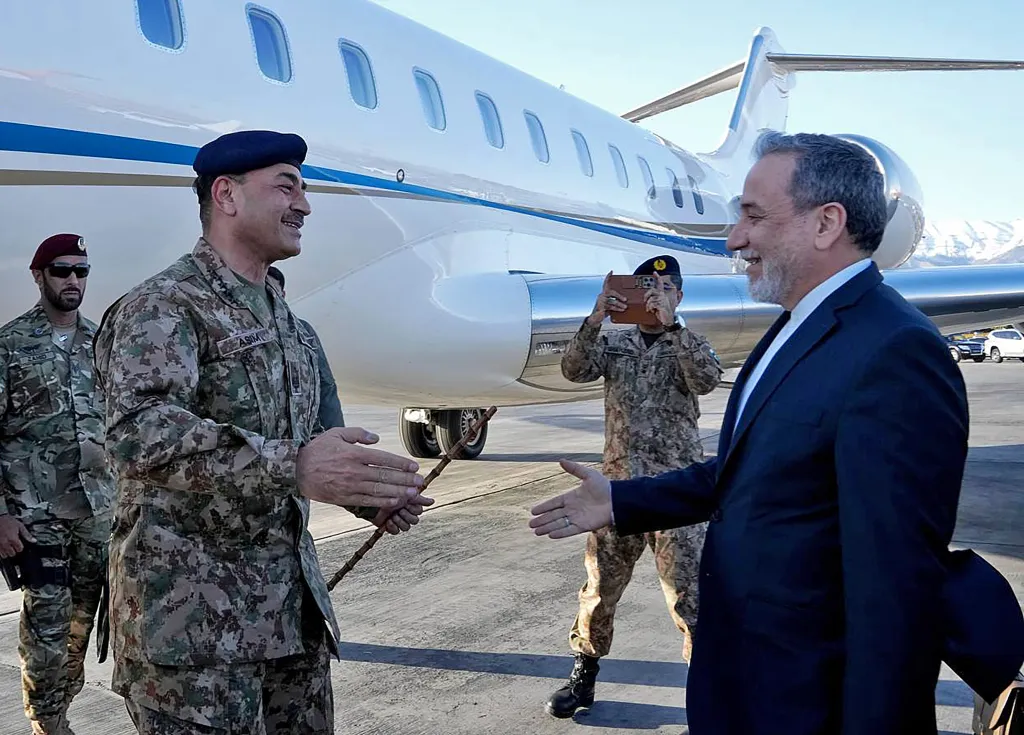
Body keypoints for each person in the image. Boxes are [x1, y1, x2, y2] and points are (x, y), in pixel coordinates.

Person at [530, 131, 972, 734]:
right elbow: (749, 472)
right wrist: (620, 499)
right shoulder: (796, 326)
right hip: (749, 686)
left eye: (753, 215)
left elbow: (895, 591)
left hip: (801, 700)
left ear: (826, 223)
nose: (734, 237)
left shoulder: (895, 350)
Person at [92, 129, 433, 734]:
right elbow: (138, 433)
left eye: (302, 188)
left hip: (290, 623)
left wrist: (371, 495)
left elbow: (323, 448)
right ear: (226, 195)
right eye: (287, 186)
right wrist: (293, 466)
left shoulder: (295, 330)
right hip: (192, 634)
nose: (304, 204)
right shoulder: (164, 306)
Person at [545, 255, 722, 718]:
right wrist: (596, 316)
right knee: (599, 589)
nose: (654, 293)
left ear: (679, 296)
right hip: (616, 494)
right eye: (647, 285)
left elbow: (706, 380)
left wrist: (674, 328)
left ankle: (708, 695)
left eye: (665, 287)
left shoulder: (690, 342)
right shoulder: (615, 342)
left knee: (691, 598)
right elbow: (573, 369)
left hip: (675, 495)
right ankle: (584, 674)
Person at [0, 234, 115, 734]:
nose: (73, 280)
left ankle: (59, 710)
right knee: (46, 623)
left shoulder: (101, 343)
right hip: (34, 516)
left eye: (81, 271)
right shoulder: (10, 345)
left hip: (97, 512)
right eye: (62, 270)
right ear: (39, 276)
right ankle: (46, 721)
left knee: (80, 624)